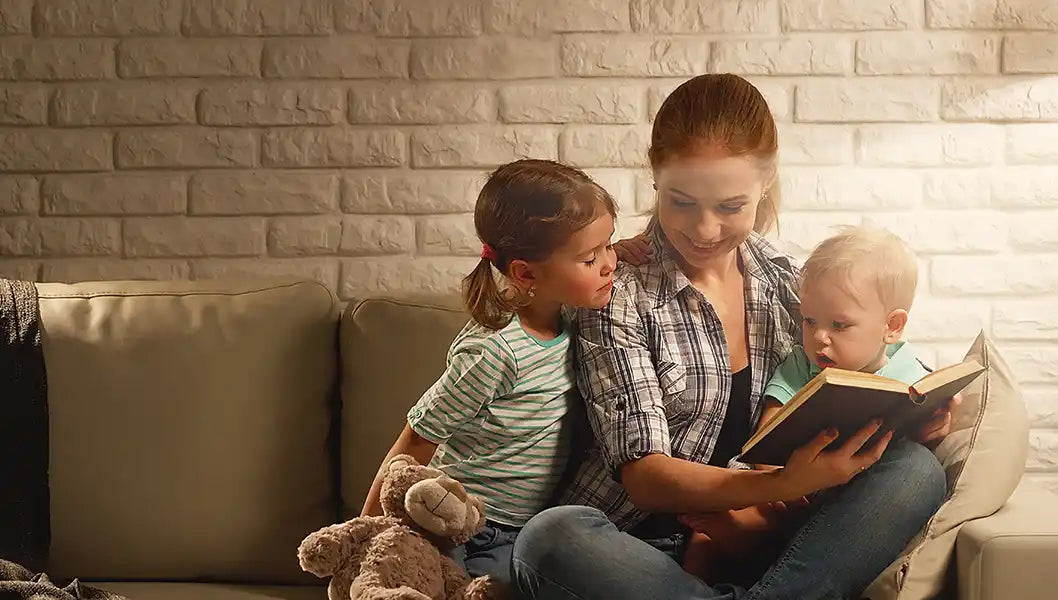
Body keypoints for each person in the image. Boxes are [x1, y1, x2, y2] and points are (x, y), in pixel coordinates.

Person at [509, 73, 955, 600]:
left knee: (916, 471)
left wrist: (913, 416)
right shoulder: (615, 292)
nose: (703, 230)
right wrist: (785, 484)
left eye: (729, 207)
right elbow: (646, 478)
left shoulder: (792, 284)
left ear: (764, 185)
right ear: (654, 176)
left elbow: (857, 374)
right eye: (681, 201)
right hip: (644, 552)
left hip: (778, 543)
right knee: (550, 538)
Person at [360, 159, 620, 585]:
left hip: (521, 530)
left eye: (610, 245)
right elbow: (418, 435)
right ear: (525, 272)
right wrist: (367, 533)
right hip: (462, 526)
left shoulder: (573, 312)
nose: (610, 263)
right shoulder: (495, 351)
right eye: (593, 257)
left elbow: (595, 255)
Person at [676, 224, 931, 580]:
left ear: (892, 326)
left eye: (839, 326)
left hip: (851, 499)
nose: (819, 338)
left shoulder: (909, 372)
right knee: (720, 523)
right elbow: (771, 423)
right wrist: (776, 478)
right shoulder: (802, 363)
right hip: (789, 487)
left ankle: (756, 542)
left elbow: (928, 427)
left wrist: (940, 416)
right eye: (809, 321)